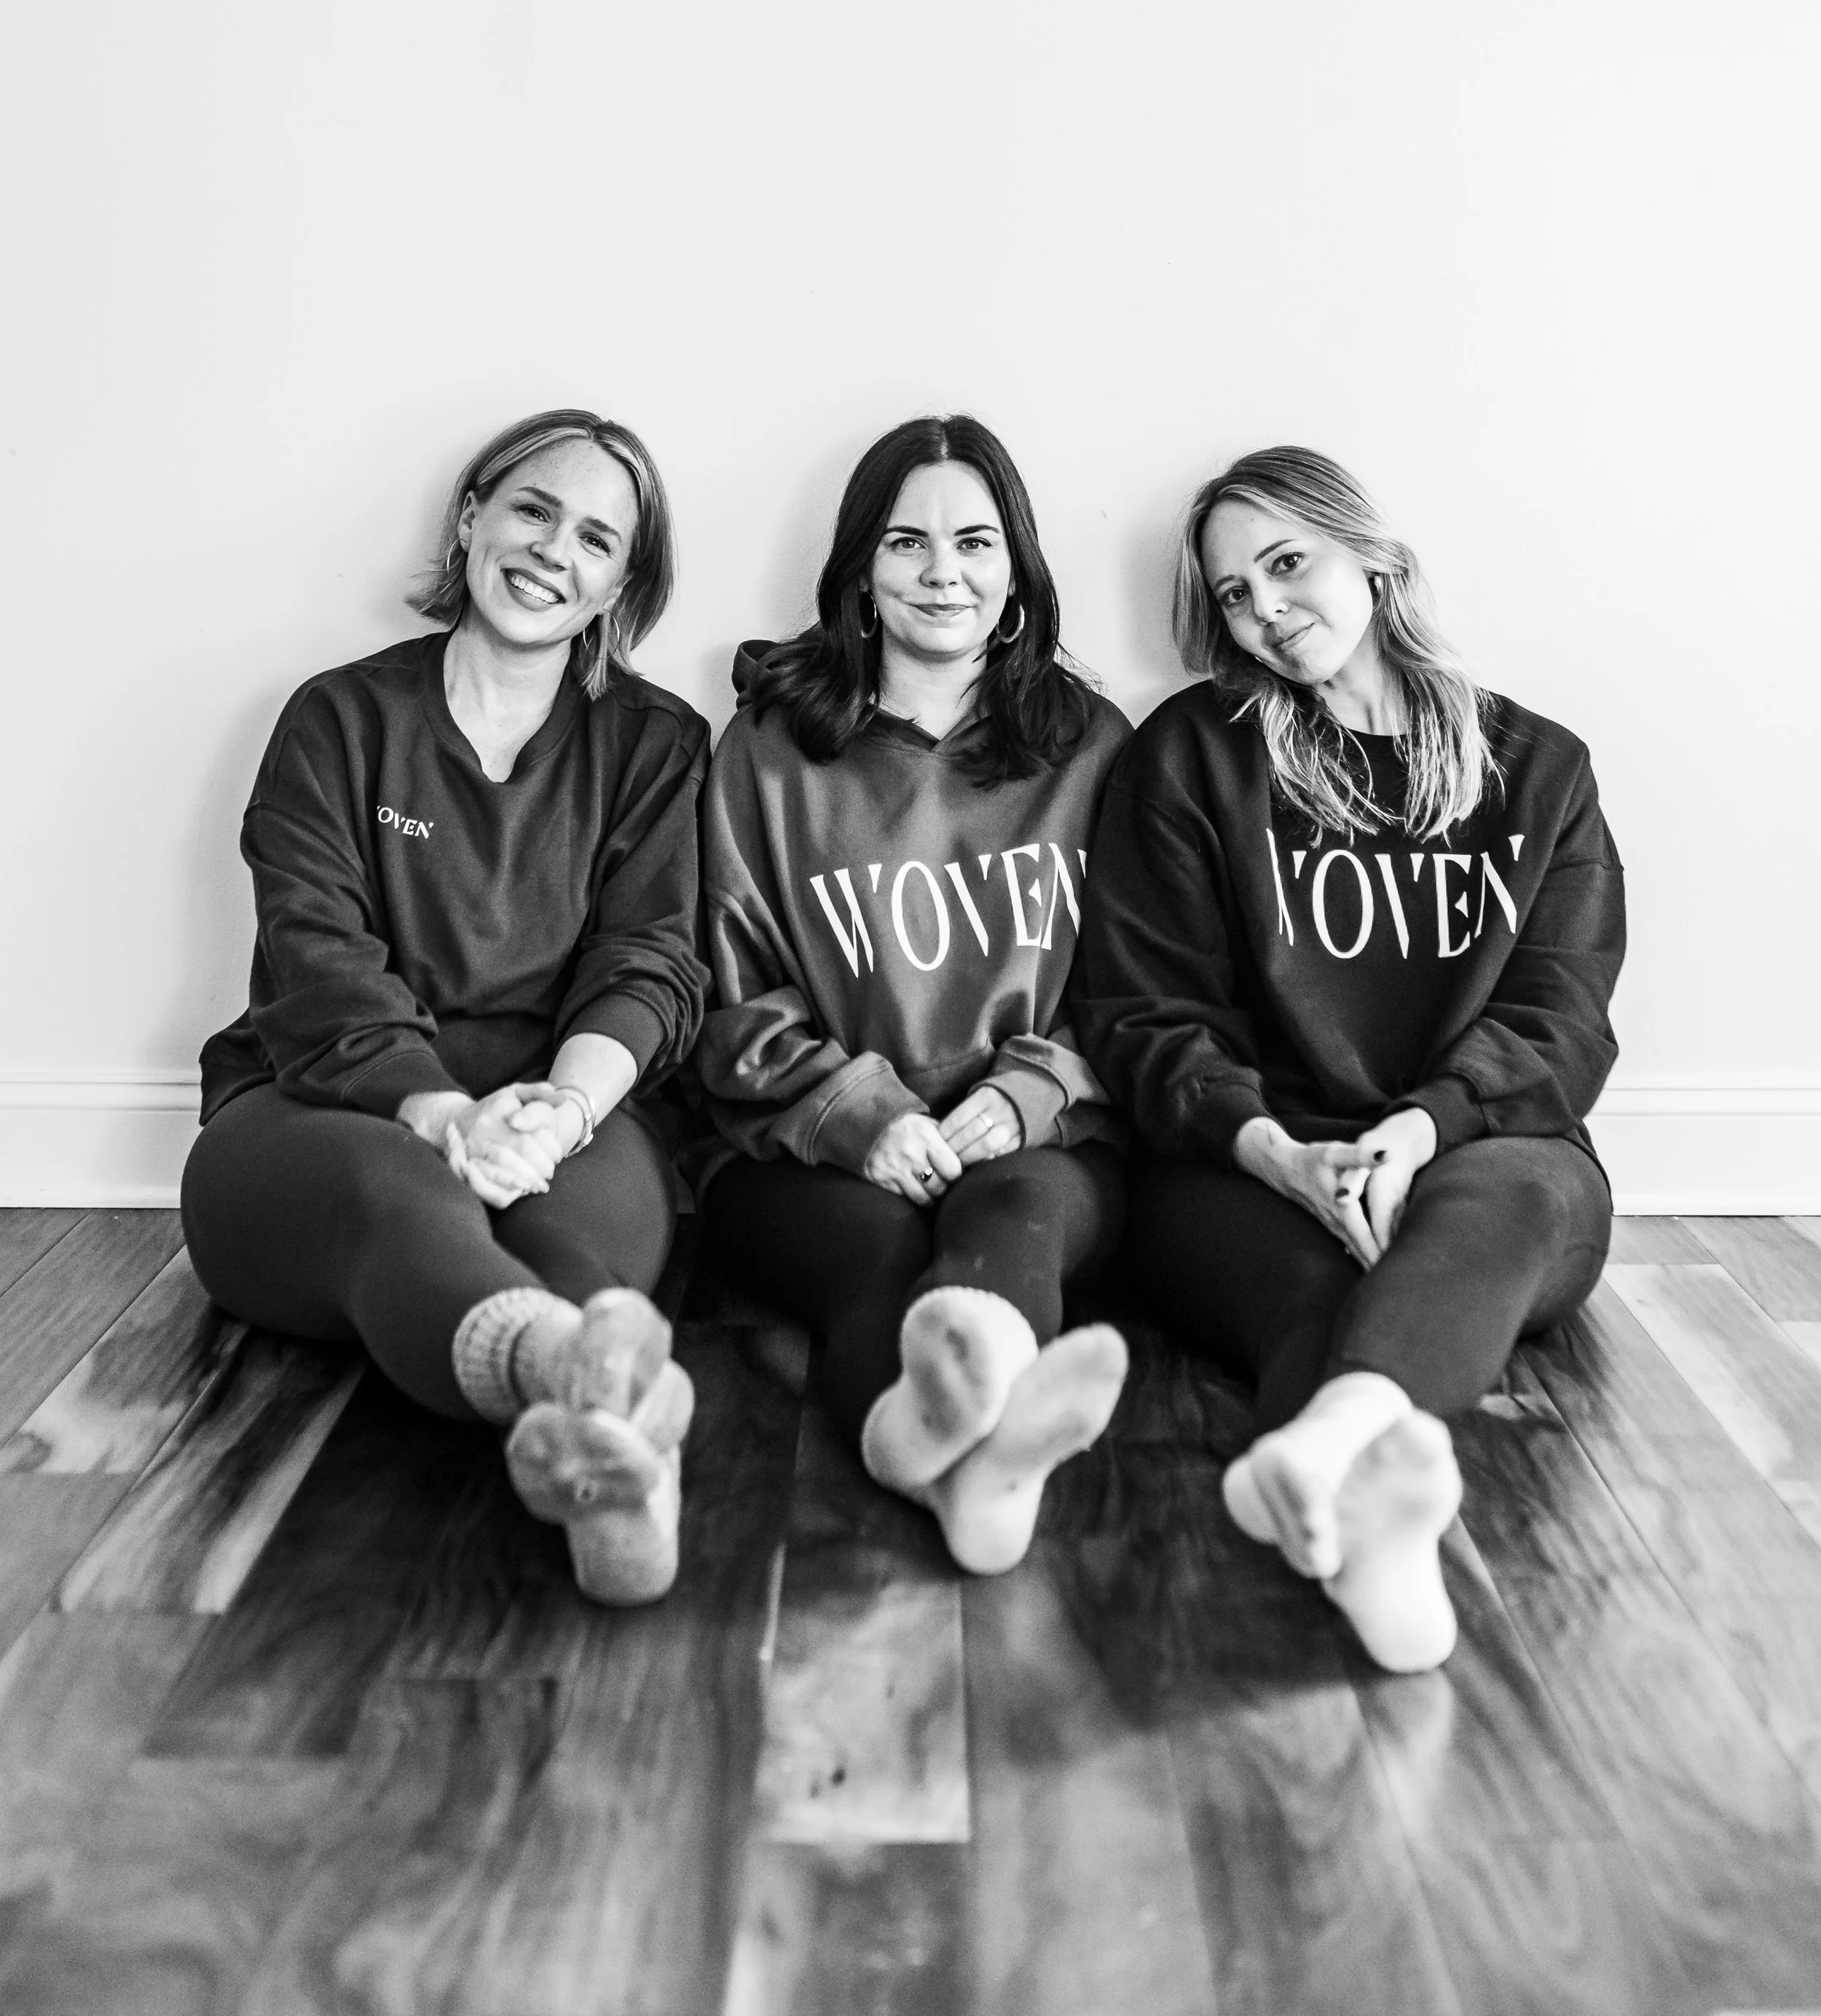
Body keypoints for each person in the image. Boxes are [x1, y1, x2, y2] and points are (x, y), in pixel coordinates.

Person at [1074, 446, 1624, 1671]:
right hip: (1244, 1160)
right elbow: (1144, 1011)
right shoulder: (1194, 757)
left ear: (1371, 555)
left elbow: (1562, 1020)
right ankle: (1376, 1540)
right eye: (1231, 594)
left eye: (1286, 564)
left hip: (1485, 1158)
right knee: (1321, 1299)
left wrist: (1419, 1129)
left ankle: (1328, 1447)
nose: (1264, 610)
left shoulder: (1538, 768)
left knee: (1508, 1193)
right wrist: (1278, 1152)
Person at [183, 409, 709, 1606]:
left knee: (577, 1247)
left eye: (595, 538)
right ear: (473, 515)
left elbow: (651, 960)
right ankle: (584, 1394)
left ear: (622, 583)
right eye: (531, 509)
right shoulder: (336, 717)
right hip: (320, 1110)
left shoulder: (656, 742)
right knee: (399, 1198)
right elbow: (317, 963)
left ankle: (613, 1459)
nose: (550, 551)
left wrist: (563, 1113)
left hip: (560, 1108)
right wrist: (441, 1116)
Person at [691, 415, 1130, 1574]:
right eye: (907, 542)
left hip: (1044, 1138)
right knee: (877, 1260)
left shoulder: (1092, 748)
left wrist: (1034, 1090)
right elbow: (725, 996)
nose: (944, 571)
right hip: (805, 1148)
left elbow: (1145, 989)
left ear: (1017, 574)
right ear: (861, 574)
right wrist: (856, 1114)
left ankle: (969, 1448)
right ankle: (959, 1453)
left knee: (1014, 1216)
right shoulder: (768, 752)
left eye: (976, 542)